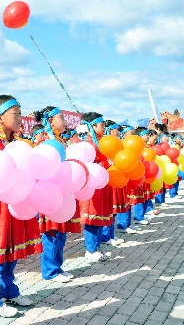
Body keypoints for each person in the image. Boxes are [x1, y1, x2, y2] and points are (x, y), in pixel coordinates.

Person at [0, 95, 42, 318]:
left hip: (15, 203)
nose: (20, 118)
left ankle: (10, 291)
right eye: (16, 114)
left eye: (20, 113)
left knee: (11, 253)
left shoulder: (15, 142)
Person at [34, 107, 81, 283]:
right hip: (50, 193)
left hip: (62, 191)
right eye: (61, 117)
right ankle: (50, 271)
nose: (65, 120)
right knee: (52, 232)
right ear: (51, 121)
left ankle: (57, 267)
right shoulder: (47, 141)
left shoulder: (59, 139)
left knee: (61, 232)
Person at [78, 112, 113, 262]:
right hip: (93, 186)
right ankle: (90, 249)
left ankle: (96, 247)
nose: (104, 127)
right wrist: (107, 164)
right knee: (93, 218)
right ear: (92, 126)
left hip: (102, 184)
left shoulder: (101, 141)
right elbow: (91, 165)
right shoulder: (89, 144)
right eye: (101, 124)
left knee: (100, 217)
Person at [100, 120, 125, 246]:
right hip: (105, 180)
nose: (118, 132)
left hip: (114, 178)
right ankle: (105, 236)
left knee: (111, 209)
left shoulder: (117, 143)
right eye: (116, 129)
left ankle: (110, 235)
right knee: (106, 210)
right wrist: (108, 164)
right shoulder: (101, 143)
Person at [116, 125, 139, 234]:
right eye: (131, 133)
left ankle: (128, 223)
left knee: (128, 201)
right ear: (124, 134)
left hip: (130, 176)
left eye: (134, 133)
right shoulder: (121, 145)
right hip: (121, 177)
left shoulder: (133, 145)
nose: (133, 136)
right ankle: (122, 224)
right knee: (123, 201)